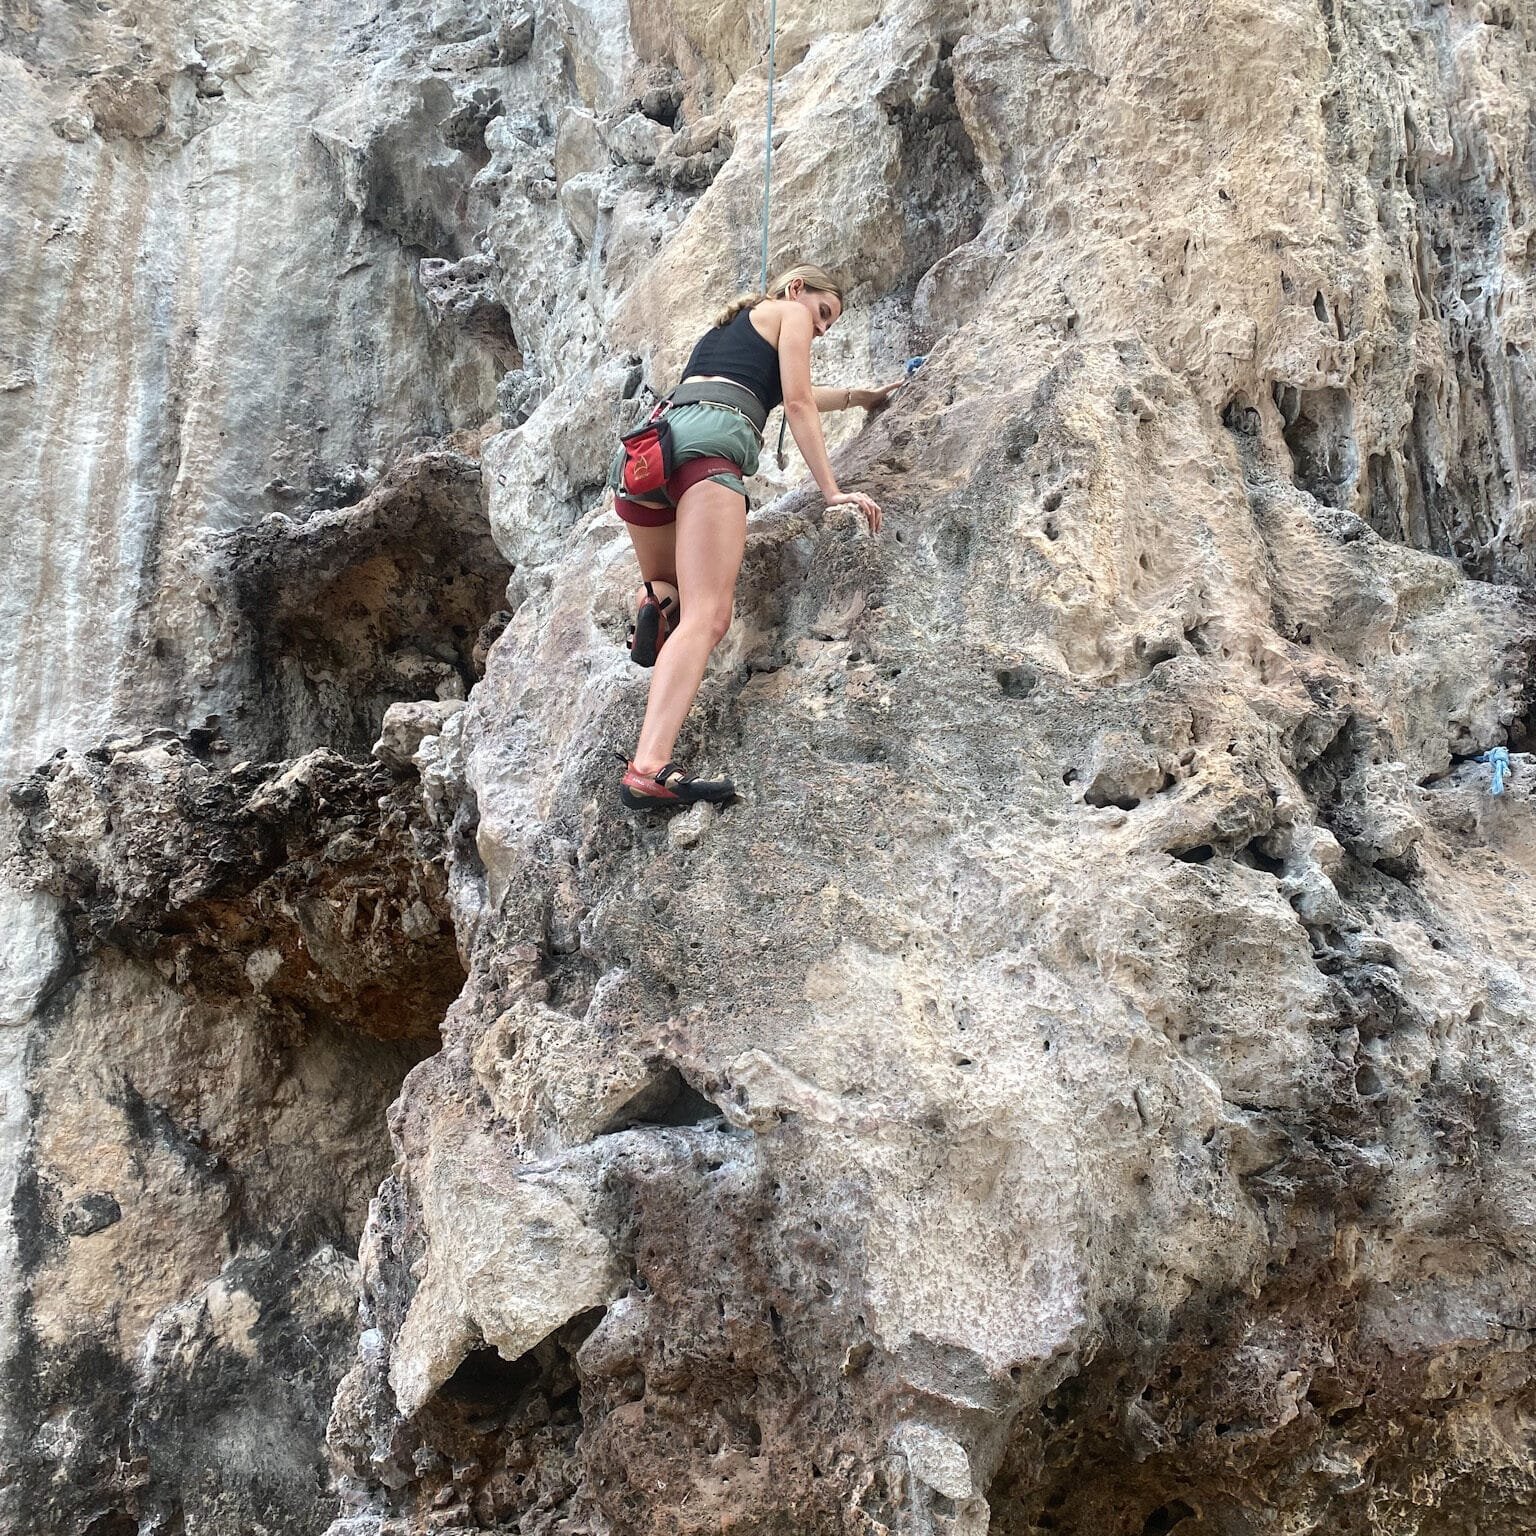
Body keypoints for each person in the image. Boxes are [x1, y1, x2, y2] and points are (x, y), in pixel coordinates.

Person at [609, 263, 903, 811]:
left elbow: (787, 388)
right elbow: (796, 403)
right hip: (711, 449)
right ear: (798, 290)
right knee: (709, 617)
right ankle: (648, 769)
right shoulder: (790, 310)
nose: (817, 330)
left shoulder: (731, 330)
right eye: (822, 315)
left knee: (671, 585)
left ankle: (654, 604)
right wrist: (832, 492)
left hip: (649, 454)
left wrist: (862, 397)